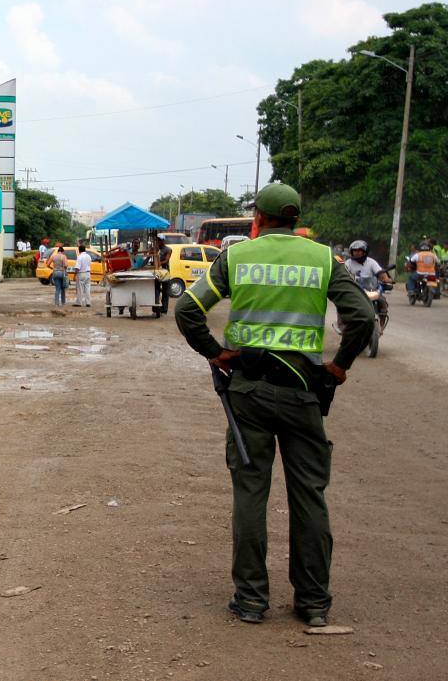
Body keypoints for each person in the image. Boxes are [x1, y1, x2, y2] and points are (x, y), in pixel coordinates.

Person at [174, 183, 373, 628]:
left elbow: (188, 310)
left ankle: (250, 600)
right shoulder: (324, 259)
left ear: (257, 220)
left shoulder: (237, 257)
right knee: (309, 496)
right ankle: (314, 602)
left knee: (250, 494)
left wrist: (215, 352)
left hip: (248, 392)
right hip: (304, 391)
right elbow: (360, 317)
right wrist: (339, 366)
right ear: (296, 220)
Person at [344, 240, 391, 321]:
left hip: (370, 290)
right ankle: (343, 324)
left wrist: (386, 279)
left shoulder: (371, 262)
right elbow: (343, 275)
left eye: (359, 251)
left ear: (365, 252)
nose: (357, 253)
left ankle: (381, 326)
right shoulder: (348, 263)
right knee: (343, 304)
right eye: (355, 251)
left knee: (382, 302)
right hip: (354, 291)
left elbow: (380, 273)